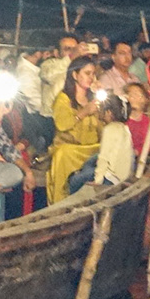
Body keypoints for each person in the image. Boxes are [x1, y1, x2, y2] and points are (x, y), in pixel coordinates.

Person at [47, 55, 107, 201]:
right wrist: (84, 112)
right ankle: (60, 201)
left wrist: (99, 102)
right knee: (63, 154)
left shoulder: (93, 99)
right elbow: (62, 124)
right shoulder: (63, 99)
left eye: (93, 74)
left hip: (91, 148)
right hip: (71, 149)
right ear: (75, 75)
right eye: (87, 73)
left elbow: (103, 128)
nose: (91, 78)